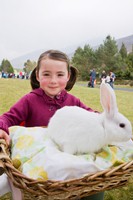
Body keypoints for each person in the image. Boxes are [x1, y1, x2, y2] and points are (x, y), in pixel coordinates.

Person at [0, 49, 104, 200]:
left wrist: (104, 120)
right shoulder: (29, 100)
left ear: (68, 76)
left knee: (94, 176)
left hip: (68, 155)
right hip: (40, 161)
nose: (53, 80)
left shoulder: (73, 101)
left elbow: (92, 116)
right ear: (37, 75)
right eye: (47, 74)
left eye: (60, 74)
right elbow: (8, 117)